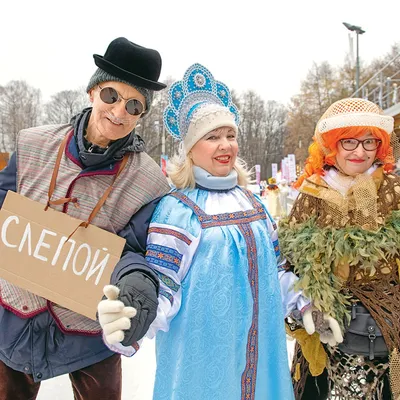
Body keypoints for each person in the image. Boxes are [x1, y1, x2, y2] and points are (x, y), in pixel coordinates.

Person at [101, 63, 298, 399]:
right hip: (205, 367)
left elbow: (277, 271)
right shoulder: (177, 210)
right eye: (212, 137)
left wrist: (305, 304)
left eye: (230, 135)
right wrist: (129, 320)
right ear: (191, 148)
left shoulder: (255, 204)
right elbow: (162, 288)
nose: (225, 146)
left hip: (262, 358)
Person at [0, 37, 170, 400]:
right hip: (15, 317)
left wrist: (136, 286)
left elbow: (135, 250)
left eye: (134, 104)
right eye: (112, 96)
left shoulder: (149, 181)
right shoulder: (33, 144)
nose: (119, 111)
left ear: (142, 114)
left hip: (89, 331)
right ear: (93, 91)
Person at [279, 98, 400, 399]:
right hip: (325, 339)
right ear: (333, 145)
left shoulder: (393, 191)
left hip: (387, 337)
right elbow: (287, 264)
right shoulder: (312, 194)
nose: (360, 151)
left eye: (369, 141)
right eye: (349, 142)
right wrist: (307, 306)